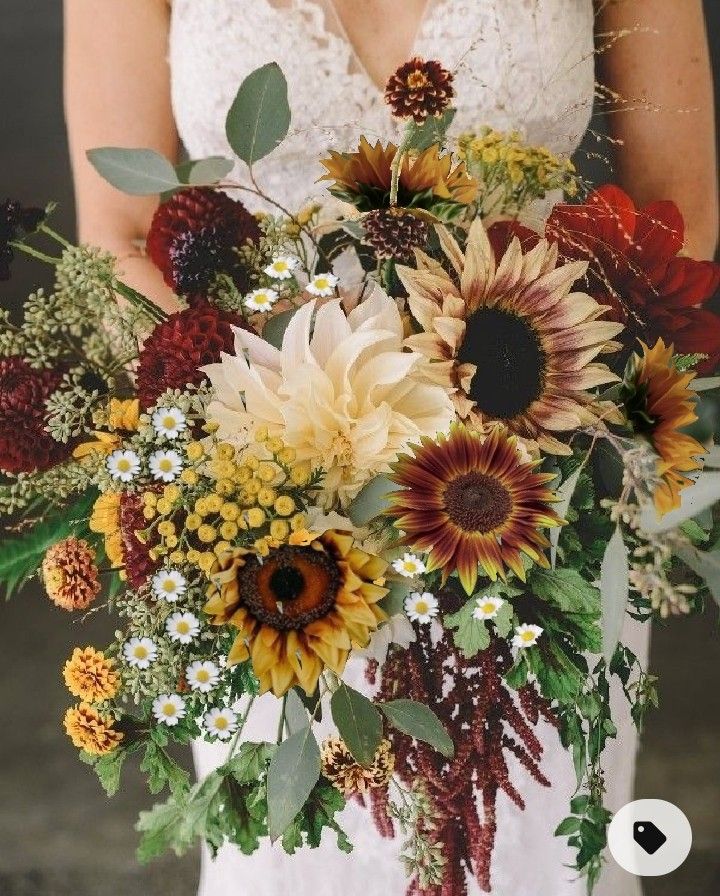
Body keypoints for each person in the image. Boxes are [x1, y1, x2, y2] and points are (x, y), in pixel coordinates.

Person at [63, 2, 718, 894]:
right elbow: (120, 239)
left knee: (546, 849)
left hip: (535, 486)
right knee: (293, 853)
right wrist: (269, 446)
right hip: (267, 508)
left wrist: (532, 400)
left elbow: (678, 213)